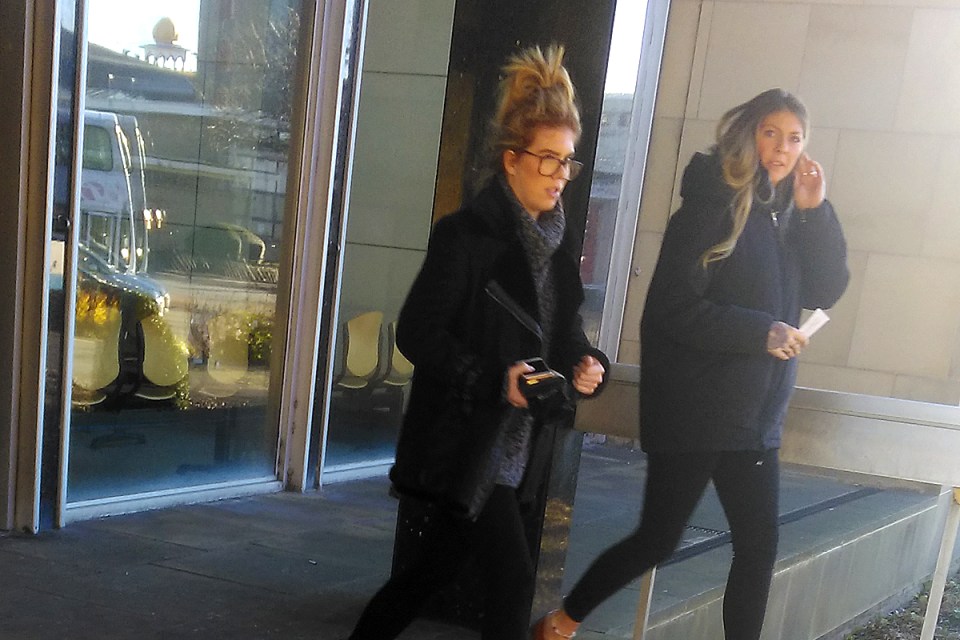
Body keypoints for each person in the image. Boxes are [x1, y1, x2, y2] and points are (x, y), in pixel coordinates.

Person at [533, 88, 849, 640]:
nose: (781, 148)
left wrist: (816, 212)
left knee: (759, 546)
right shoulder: (710, 206)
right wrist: (762, 331)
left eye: (795, 139)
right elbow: (672, 310)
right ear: (749, 131)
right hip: (698, 411)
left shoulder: (788, 218)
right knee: (659, 537)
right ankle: (560, 623)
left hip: (754, 417)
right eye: (771, 132)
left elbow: (827, 288)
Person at [345, 44, 608, 640]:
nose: (560, 175)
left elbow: (565, 339)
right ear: (512, 160)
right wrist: (495, 379)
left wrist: (590, 364)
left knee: (428, 574)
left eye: (567, 162)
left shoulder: (557, 254)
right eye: (548, 160)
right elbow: (416, 331)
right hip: (463, 443)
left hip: (516, 448)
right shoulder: (465, 238)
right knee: (513, 581)